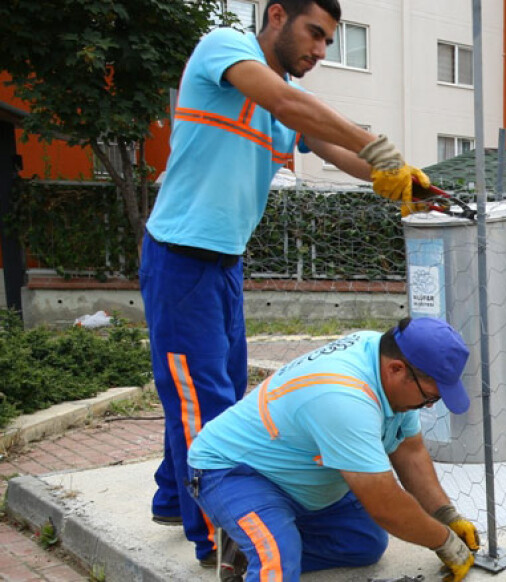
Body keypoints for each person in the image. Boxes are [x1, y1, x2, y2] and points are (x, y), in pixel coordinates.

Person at [140, 0, 430, 566]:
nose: (320, 52)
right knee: (204, 404)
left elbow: (331, 147)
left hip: (224, 263)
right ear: (277, 15)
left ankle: (174, 496)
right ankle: (216, 542)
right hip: (180, 260)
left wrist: (402, 179)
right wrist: (378, 147)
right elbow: (288, 100)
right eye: (315, 35)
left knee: (216, 388)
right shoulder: (226, 49)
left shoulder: (280, 105)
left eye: (327, 41)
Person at [186, 317, 479, 582]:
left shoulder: (384, 354)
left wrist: (445, 515)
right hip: (235, 471)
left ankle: (246, 545)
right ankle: (265, 544)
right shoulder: (343, 396)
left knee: (364, 543)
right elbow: (385, 505)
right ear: (396, 370)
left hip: (296, 473)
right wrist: (445, 542)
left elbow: (409, 450)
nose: (429, 405)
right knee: (276, 560)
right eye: (429, 397)